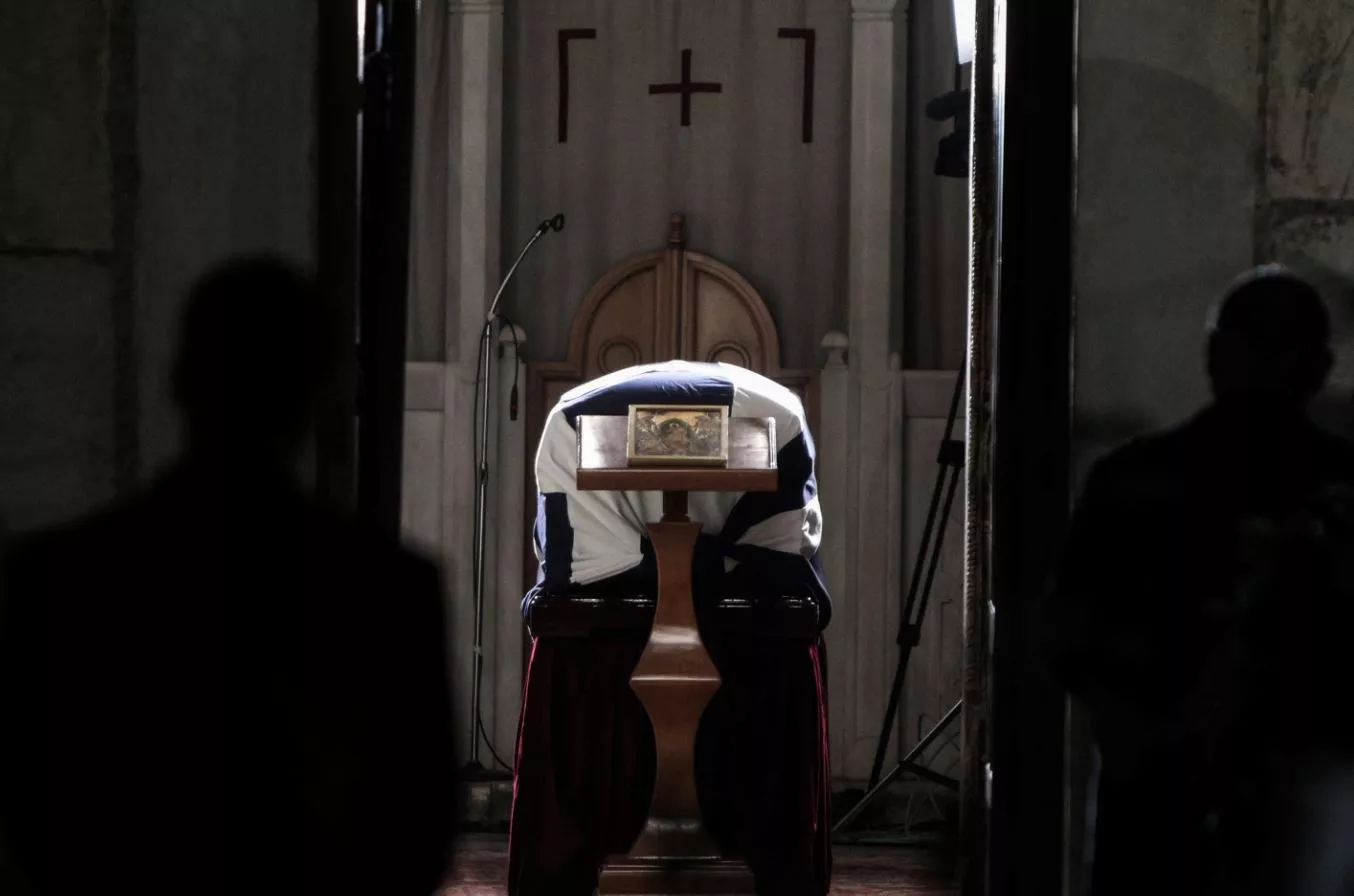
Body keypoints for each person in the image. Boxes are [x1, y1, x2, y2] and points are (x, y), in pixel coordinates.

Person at [0, 257, 459, 896]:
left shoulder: (61, 574)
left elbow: (32, 811)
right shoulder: (390, 589)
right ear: (321, 395)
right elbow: (418, 830)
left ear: (179, 379)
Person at [1046, 266, 1354, 896]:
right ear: (1321, 367)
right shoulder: (1344, 487)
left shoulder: (1133, 479)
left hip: (1166, 795)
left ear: (1213, 356)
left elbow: (1069, 640)